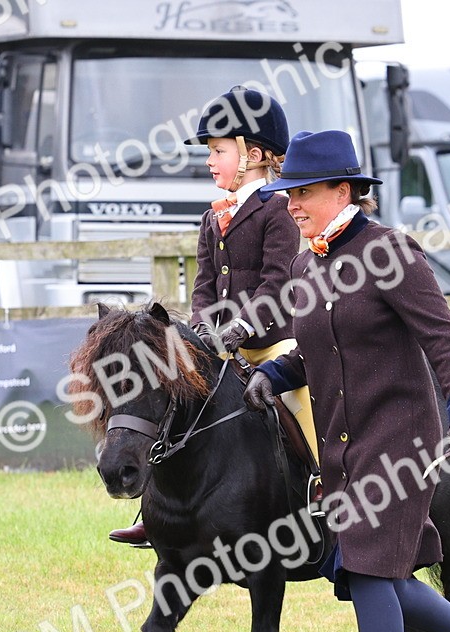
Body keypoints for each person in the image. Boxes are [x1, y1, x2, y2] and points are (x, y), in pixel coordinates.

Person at [243, 129, 450, 632]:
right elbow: (317, 350)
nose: (292, 205)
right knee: (377, 573)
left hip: (401, 439)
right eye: (288, 194)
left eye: (303, 193)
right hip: (339, 444)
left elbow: (444, 339)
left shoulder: (391, 252)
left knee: (367, 570)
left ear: (343, 190)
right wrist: (275, 374)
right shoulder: (305, 265)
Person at [109, 86, 316, 546]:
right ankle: (156, 509)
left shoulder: (278, 209)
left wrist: (242, 327)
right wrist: (200, 329)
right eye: (210, 152)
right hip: (217, 347)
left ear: (253, 155)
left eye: (218, 151)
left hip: (272, 342)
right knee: (172, 407)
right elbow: (203, 283)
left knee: (303, 404)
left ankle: (321, 485)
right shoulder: (212, 217)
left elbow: (276, 283)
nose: (209, 160)